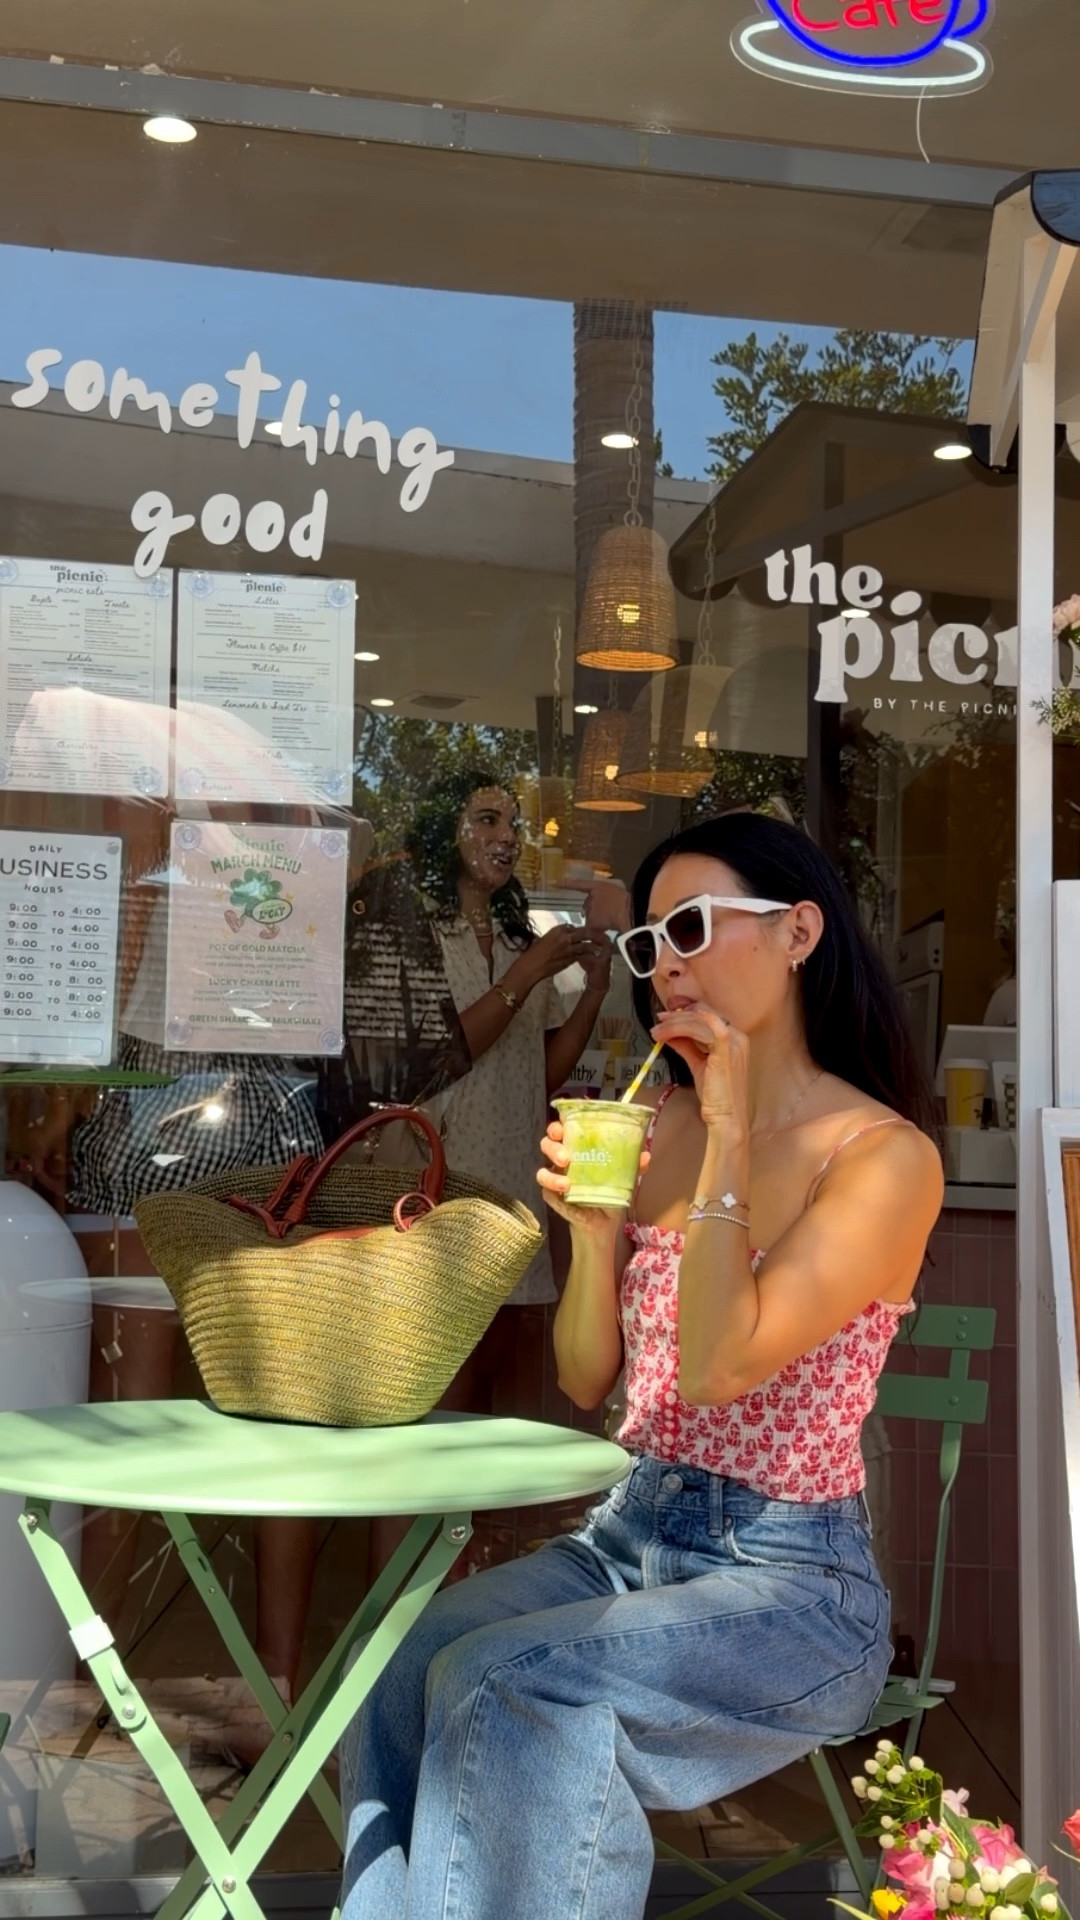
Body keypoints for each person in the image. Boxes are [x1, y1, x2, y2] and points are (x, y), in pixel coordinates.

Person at [338, 811, 943, 1920]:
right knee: (400, 1658)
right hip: (632, 1533)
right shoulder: (651, 1125)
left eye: (695, 927)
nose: (664, 962)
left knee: (507, 1681)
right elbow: (585, 1381)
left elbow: (716, 1367)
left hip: (793, 1582)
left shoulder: (883, 1157)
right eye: (649, 940)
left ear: (800, 931)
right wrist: (594, 1232)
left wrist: (722, 1137)